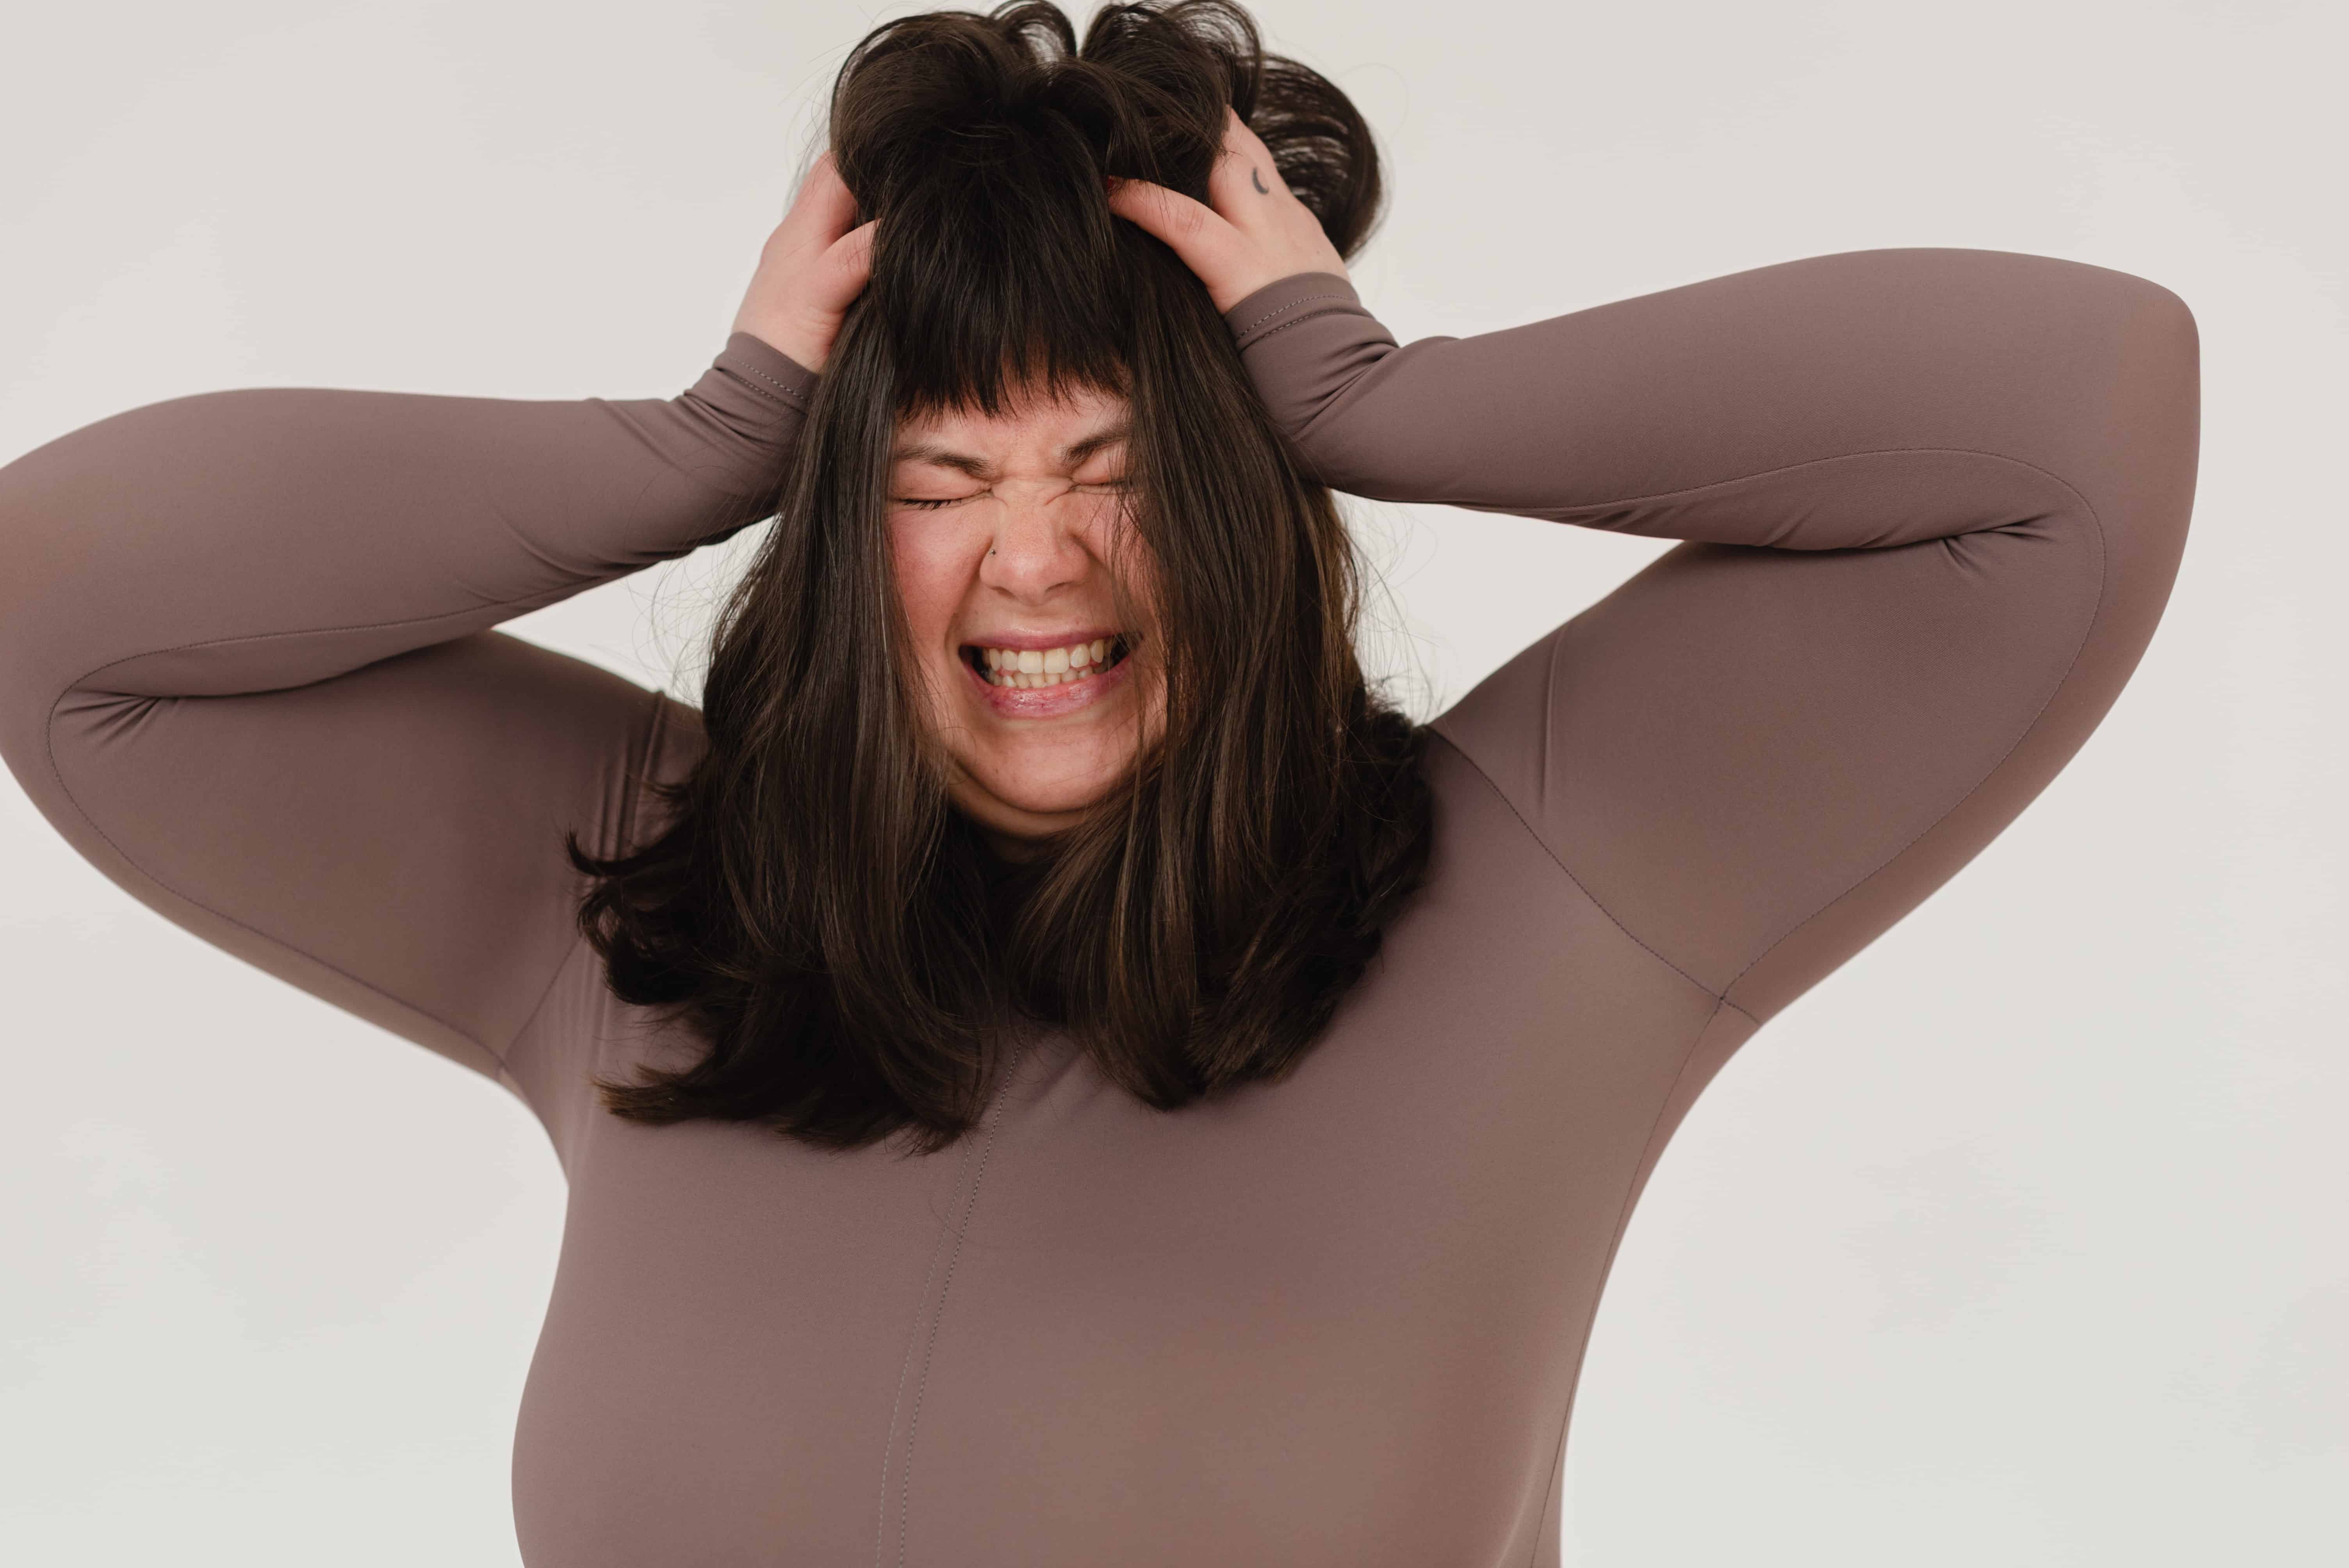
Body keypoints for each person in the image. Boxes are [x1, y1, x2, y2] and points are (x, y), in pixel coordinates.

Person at [0, 1, 2198, 1562]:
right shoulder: (639, 909)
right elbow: (63, 612)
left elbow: (2074, 423)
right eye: (943, 474)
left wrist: (1380, 395)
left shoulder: (1551, 884)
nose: (1036, 557)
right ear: (844, 527)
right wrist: (700, 444)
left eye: (1125, 470)